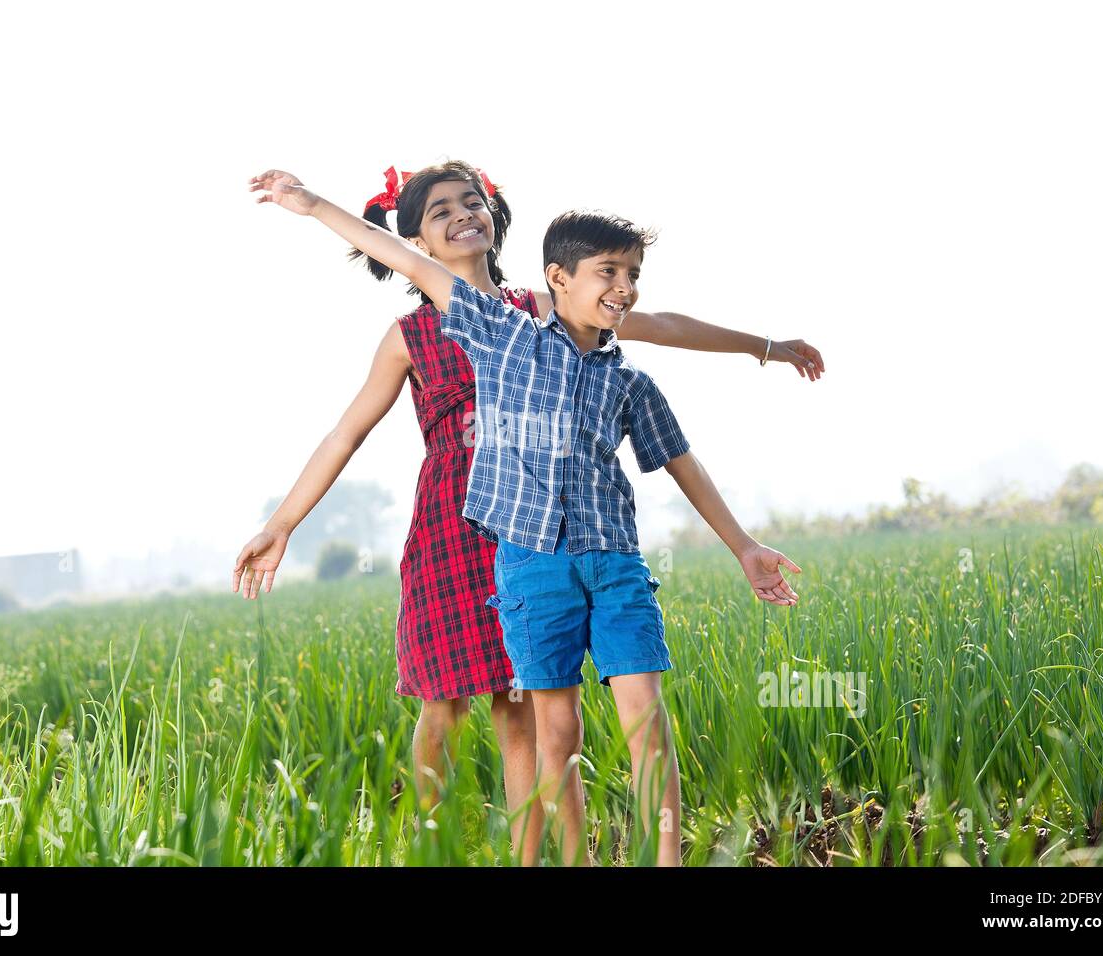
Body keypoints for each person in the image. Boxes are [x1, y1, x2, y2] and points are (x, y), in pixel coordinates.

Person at [239, 164, 814, 865]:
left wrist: (764, 347)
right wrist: (284, 522)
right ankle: (429, 845)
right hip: (454, 525)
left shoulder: (546, 307)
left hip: (551, 528)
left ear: (496, 217)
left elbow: (661, 324)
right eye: (439, 210)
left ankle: (549, 858)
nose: (461, 216)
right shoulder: (414, 333)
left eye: (472, 201)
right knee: (444, 702)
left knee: (528, 710)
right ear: (416, 235)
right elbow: (345, 432)